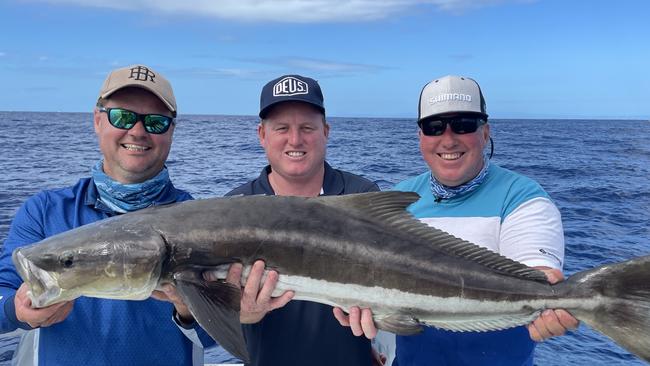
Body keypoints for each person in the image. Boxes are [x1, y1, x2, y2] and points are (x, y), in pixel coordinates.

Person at [334, 75, 579, 365]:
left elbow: (538, 272)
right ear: (420, 136)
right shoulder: (399, 197)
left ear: (485, 132)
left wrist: (550, 298)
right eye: (434, 127)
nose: (448, 139)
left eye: (463, 125)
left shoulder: (523, 198)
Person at [0, 64, 215, 365]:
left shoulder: (203, 224)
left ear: (171, 132)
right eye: (123, 117)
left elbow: (215, 338)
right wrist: (16, 310)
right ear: (97, 120)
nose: (138, 131)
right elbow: (3, 297)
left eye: (155, 122)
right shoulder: (44, 211)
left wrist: (190, 309)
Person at [222, 74, 381, 366]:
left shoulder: (362, 195)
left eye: (307, 127)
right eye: (282, 128)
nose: (295, 139)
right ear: (261, 135)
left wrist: (382, 319)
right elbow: (212, 322)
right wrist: (235, 313)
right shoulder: (233, 208)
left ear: (326, 131)